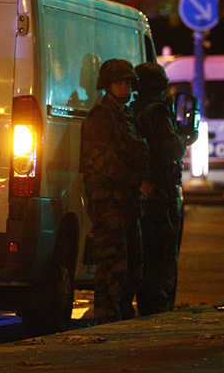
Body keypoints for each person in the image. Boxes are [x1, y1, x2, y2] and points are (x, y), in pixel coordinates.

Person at [79, 58, 150, 325]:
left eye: (128, 82)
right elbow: (103, 162)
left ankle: (120, 317)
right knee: (112, 269)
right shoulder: (101, 116)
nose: (125, 87)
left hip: (127, 204)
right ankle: (107, 322)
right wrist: (137, 182)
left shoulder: (126, 115)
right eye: (119, 82)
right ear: (107, 86)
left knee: (132, 268)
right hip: (109, 205)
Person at [131, 62, 187, 316]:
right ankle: (158, 310)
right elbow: (173, 149)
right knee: (163, 257)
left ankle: (148, 305)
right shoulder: (158, 113)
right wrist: (184, 140)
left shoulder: (131, 111)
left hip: (141, 195)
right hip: (161, 195)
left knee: (145, 256)